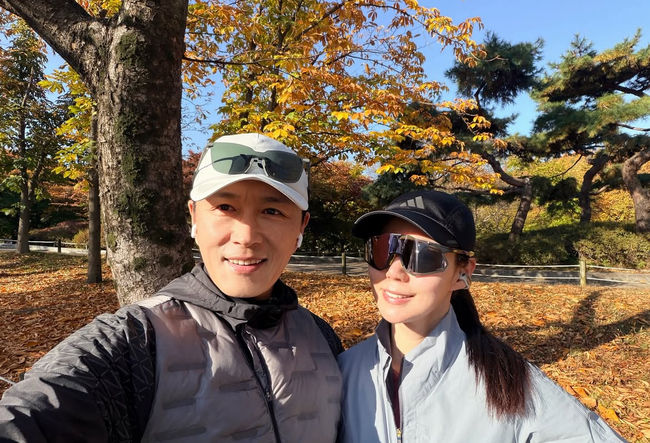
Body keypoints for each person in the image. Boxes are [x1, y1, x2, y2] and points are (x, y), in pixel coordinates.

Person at [0, 133, 343, 442]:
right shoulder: (137, 342)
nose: (246, 236)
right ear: (194, 217)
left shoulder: (322, 338)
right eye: (225, 207)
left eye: (272, 211)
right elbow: (34, 413)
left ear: (301, 227)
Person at [337, 189, 626, 442]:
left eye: (422, 255)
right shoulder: (341, 372)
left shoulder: (509, 384)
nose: (393, 271)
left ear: (462, 272)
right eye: (382, 248)